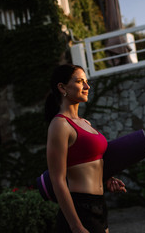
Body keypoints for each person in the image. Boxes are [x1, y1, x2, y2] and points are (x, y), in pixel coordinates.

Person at [44, 64, 126, 233]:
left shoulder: (85, 122)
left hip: (99, 204)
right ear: (62, 87)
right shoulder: (60, 125)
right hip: (79, 209)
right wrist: (76, 226)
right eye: (80, 82)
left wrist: (106, 178)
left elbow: (91, 161)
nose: (87, 87)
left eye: (86, 82)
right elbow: (58, 180)